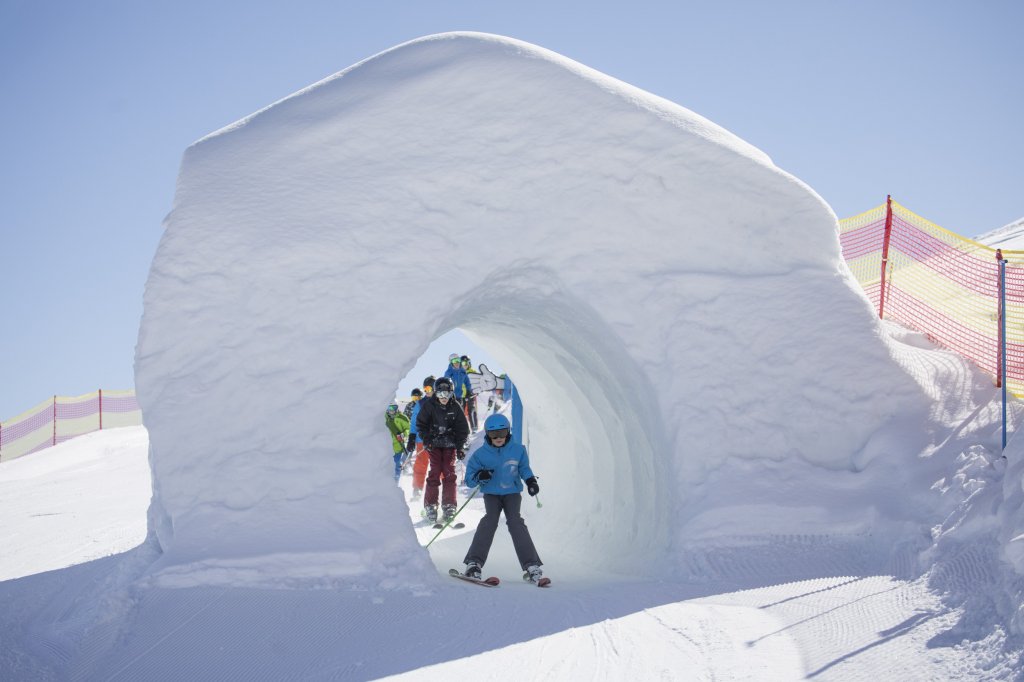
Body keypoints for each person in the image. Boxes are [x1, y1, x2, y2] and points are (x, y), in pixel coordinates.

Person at [463, 413, 544, 584]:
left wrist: (530, 481)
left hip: (512, 493)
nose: (498, 438)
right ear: (487, 434)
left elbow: (524, 468)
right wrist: (480, 475)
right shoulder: (480, 455)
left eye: (502, 433)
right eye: (493, 434)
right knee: (489, 520)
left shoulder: (518, 450)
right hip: (492, 494)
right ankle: (474, 562)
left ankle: (532, 565)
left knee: (515, 522)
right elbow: (469, 480)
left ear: (508, 432)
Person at [415, 376, 470, 523]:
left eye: (447, 394)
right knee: (435, 470)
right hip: (434, 444)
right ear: (435, 393)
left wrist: (460, 447)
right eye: (440, 394)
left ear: (452, 393)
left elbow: (462, 429)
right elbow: (421, 424)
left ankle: (449, 504)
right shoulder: (429, 405)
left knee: (449, 472)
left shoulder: (455, 406)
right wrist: (427, 439)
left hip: (450, 444)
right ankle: (431, 504)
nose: (444, 397)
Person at [444, 354, 475, 427]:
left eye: (458, 360)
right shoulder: (449, 372)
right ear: (451, 362)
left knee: (461, 414)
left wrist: (468, 391)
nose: (457, 363)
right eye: (454, 361)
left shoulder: (462, 371)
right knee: (452, 414)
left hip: (460, 397)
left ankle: (461, 430)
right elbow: (445, 383)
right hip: (451, 397)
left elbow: (467, 381)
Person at [384, 402, 410, 482]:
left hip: (398, 447)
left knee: (396, 466)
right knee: (386, 466)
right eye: (390, 408)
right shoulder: (384, 417)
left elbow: (408, 428)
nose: (392, 410)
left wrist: (404, 434)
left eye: (394, 408)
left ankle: (395, 482)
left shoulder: (402, 418)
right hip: (386, 447)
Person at [460, 355, 480, 431]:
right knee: (461, 412)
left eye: (465, 363)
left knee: (471, 410)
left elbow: (477, 383)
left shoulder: (472, 372)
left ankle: (474, 428)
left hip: (471, 394)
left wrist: (475, 392)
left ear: (469, 363)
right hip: (462, 395)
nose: (464, 365)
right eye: (462, 363)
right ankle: (464, 430)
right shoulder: (460, 373)